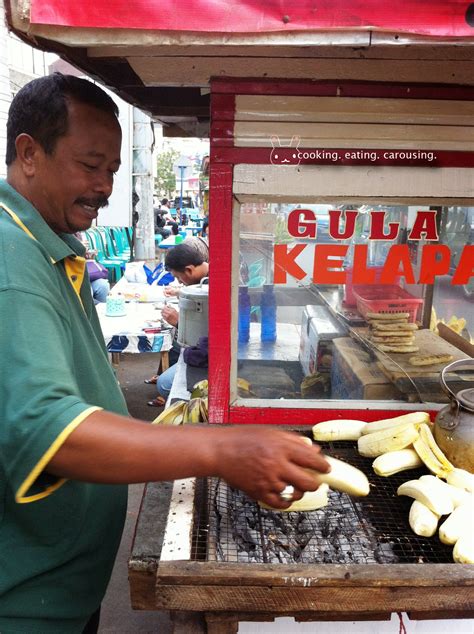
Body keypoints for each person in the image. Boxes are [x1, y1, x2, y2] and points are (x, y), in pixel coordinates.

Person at [0, 73, 330, 634]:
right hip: (21, 602)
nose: (104, 186)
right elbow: (48, 429)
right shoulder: (12, 263)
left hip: (56, 590)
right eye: (90, 164)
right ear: (29, 153)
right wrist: (222, 451)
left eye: (111, 169)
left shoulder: (49, 246)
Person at [147, 242, 209, 406]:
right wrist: (180, 292)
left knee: (165, 385)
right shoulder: (206, 276)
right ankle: (164, 374)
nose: (179, 281)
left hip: (214, 356)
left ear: (189, 269)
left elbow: (207, 336)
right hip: (206, 347)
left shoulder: (212, 286)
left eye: (178, 277)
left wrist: (178, 322)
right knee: (174, 346)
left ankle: (181, 402)